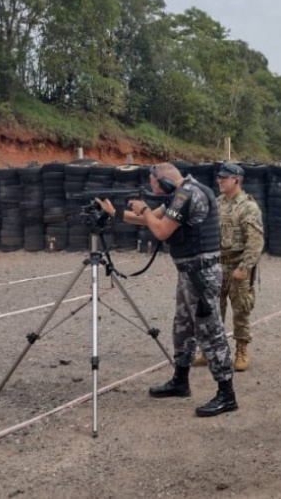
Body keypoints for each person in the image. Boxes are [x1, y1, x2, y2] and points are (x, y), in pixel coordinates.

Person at [95, 162, 237, 418]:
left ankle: (227, 395)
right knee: (183, 327)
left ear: (166, 181)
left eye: (156, 186)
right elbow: (150, 219)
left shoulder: (188, 195)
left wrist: (145, 209)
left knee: (209, 330)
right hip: (190, 272)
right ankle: (180, 381)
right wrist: (114, 212)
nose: (156, 191)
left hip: (201, 274)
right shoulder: (180, 194)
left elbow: (160, 230)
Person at [216, 162, 264, 371]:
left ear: (236, 180)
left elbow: (255, 242)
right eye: (219, 177)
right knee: (213, 311)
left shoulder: (248, 207)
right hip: (217, 266)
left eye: (224, 178)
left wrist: (244, 268)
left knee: (241, 310)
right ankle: (213, 350)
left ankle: (241, 350)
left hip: (238, 267)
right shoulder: (217, 203)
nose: (219, 180)